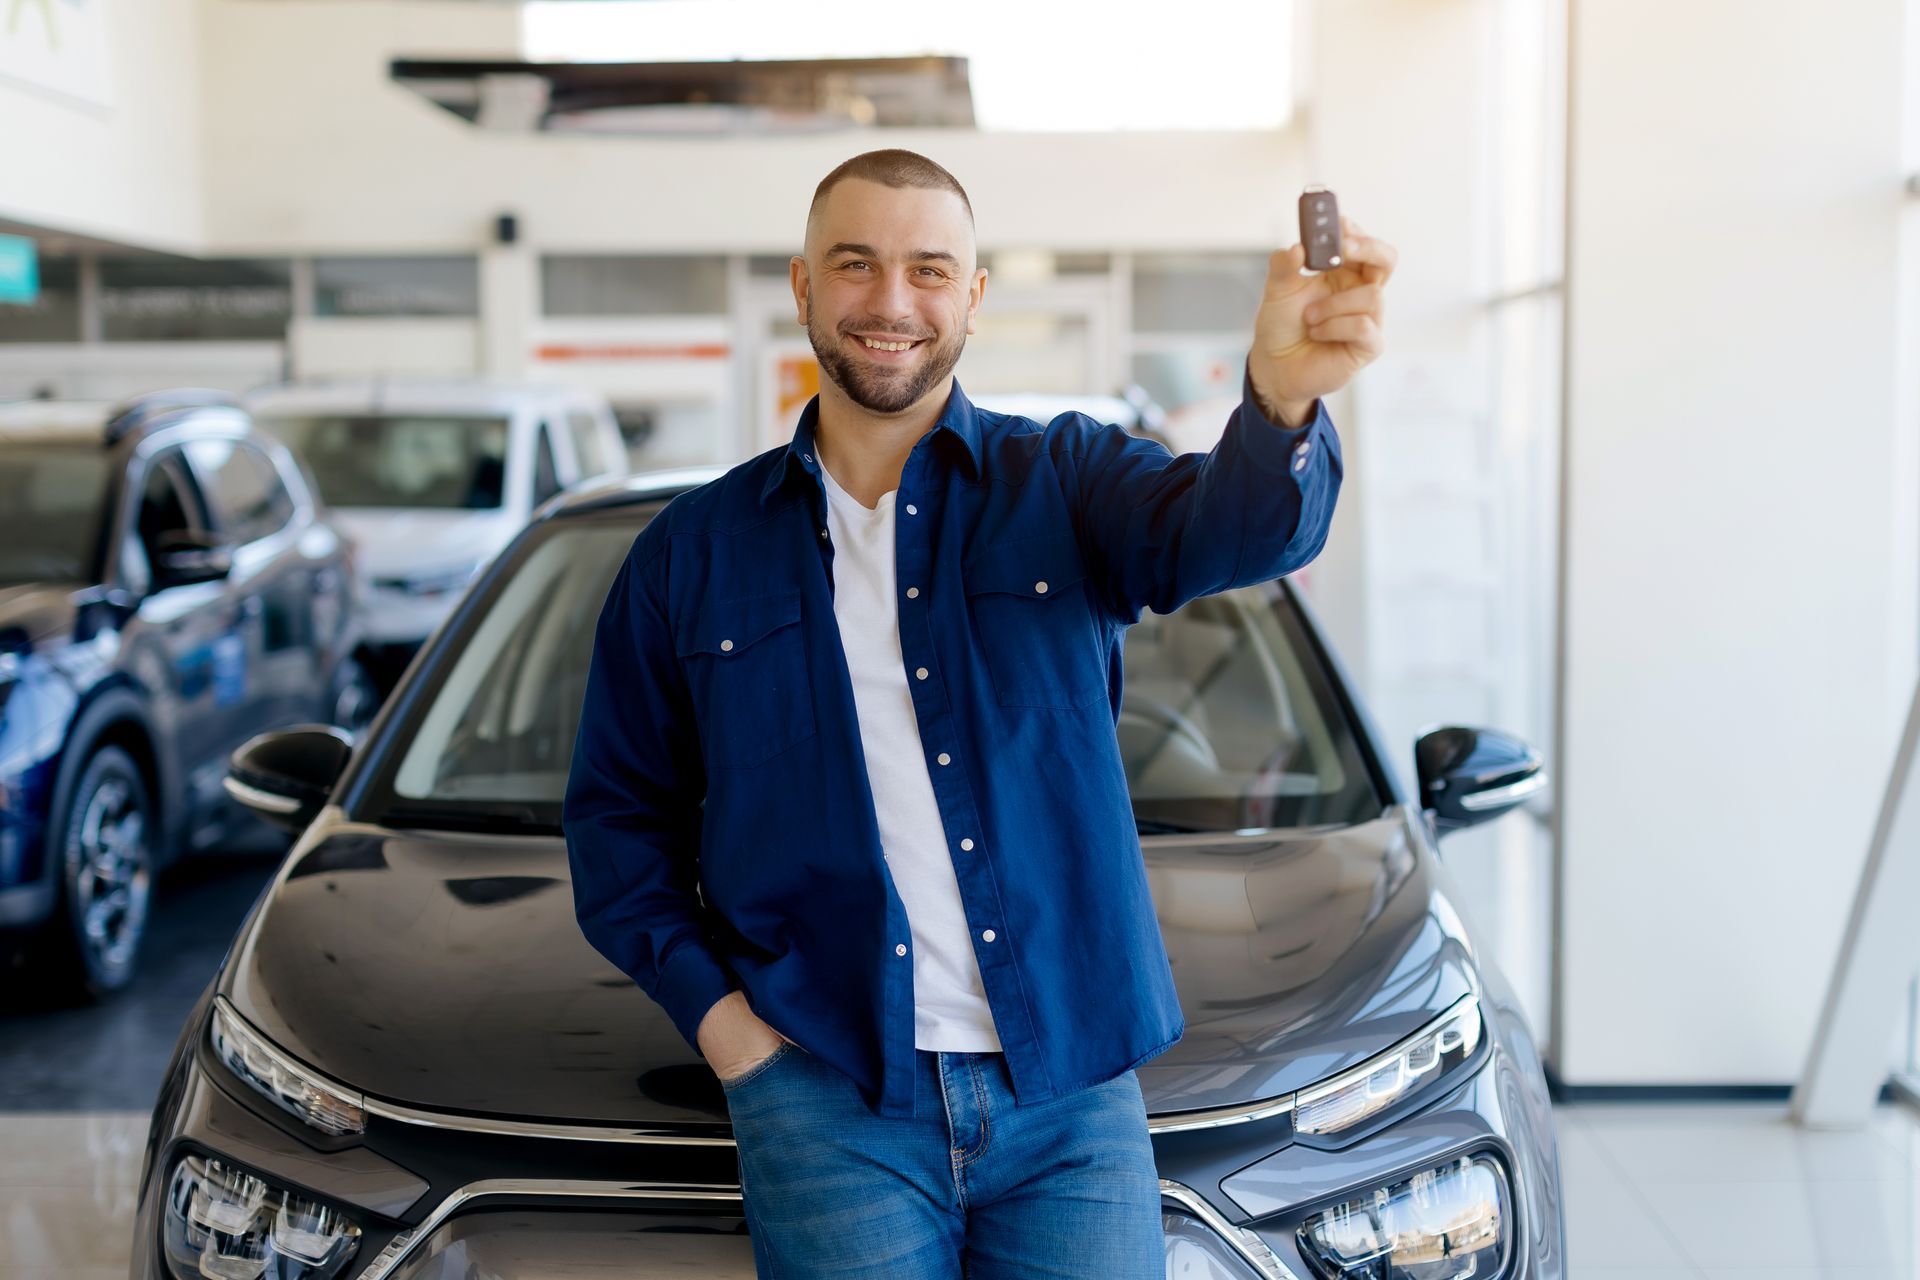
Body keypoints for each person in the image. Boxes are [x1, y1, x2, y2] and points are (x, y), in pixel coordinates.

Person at [563, 148, 1393, 1279]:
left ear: (974, 296)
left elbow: (1234, 532)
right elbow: (619, 820)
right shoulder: (691, 555)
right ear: (803, 289)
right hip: (828, 1092)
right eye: (854, 265)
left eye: (929, 269)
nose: (892, 303)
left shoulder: (1070, 482)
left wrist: (1282, 394)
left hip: (1070, 1092)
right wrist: (730, 1035)